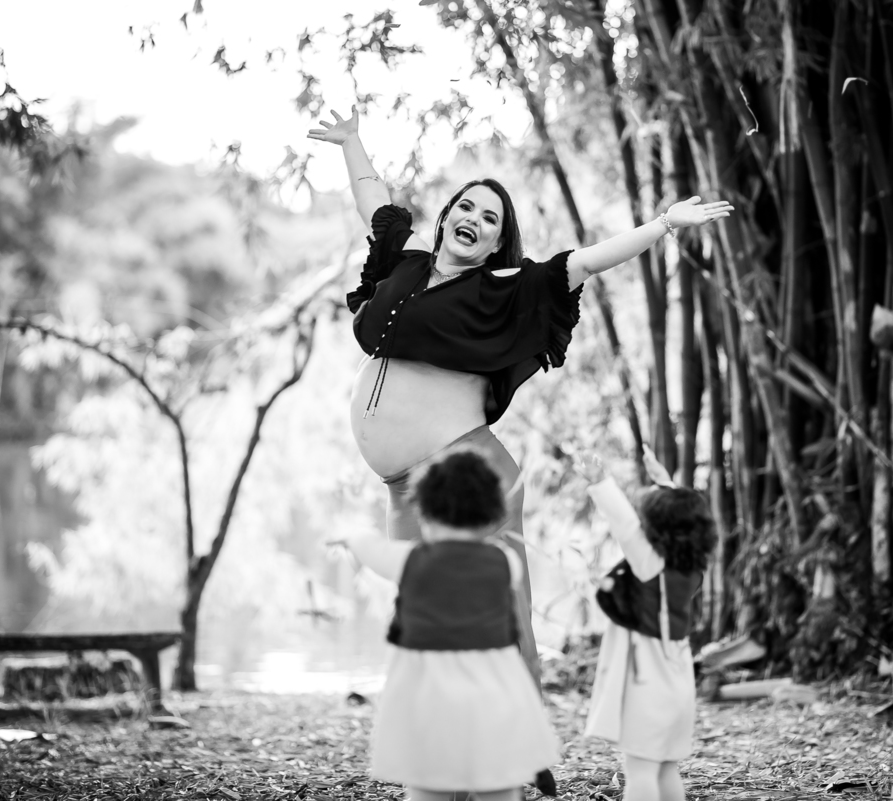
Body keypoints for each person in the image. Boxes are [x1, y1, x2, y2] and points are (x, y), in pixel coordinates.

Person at [307, 105, 733, 690]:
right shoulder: (405, 262)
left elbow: (585, 262)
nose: (474, 219)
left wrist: (663, 224)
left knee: (496, 610)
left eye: (491, 219)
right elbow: (374, 199)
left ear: (496, 244)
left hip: (464, 472)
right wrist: (352, 142)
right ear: (446, 219)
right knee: (424, 612)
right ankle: (451, 736)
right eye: (466, 207)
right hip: (402, 484)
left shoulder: (502, 287)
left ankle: (517, 727)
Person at [341, 448, 561, 801]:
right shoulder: (505, 562)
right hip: (493, 701)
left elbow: (370, 548)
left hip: (431, 704)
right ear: (491, 515)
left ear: (424, 512)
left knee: (429, 788)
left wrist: (351, 540)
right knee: (497, 786)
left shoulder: (410, 559)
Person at [583, 456, 716, 801]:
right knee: (667, 769)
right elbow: (681, 518)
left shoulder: (649, 565)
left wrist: (600, 481)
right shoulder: (693, 568)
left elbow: (625, 525)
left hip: (648, 686)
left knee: (640, 772)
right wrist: (666, 483)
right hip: (677, 684)